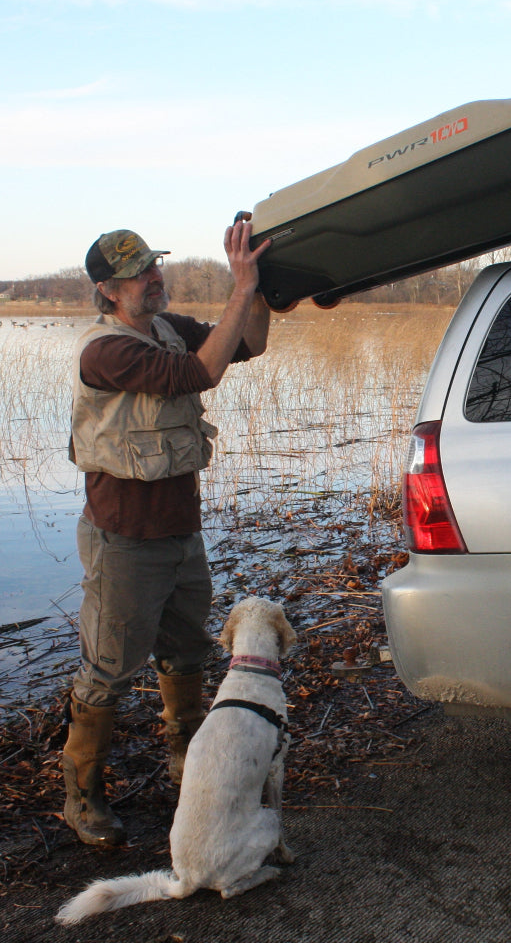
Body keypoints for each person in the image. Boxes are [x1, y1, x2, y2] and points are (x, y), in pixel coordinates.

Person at [63, 219, 272, 846]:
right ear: (107, 289)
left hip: (181, 530)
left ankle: (186, 761)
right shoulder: (105, 349)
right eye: (138, 275)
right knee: (109, 668)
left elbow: (247, 344)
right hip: (123, 538)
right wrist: (240, 284)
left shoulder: (164, 328)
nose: (154, 279)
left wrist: (265, 290)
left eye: (154, 266)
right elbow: (197, 376)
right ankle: (82, 794)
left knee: (185, 651)